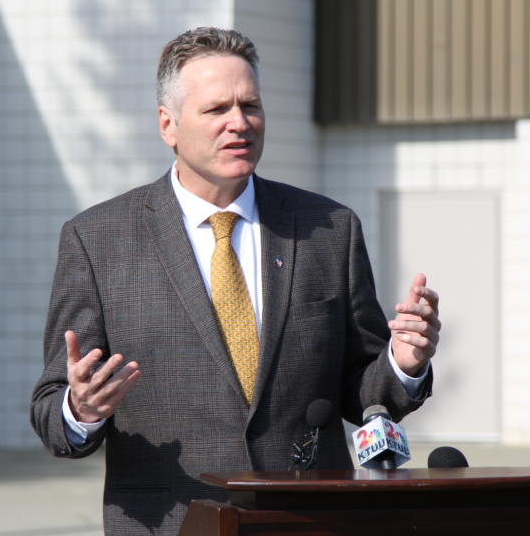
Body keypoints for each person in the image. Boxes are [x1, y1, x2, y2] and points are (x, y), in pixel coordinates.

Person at [31, 27, 441, 536]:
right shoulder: (98, 240)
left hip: (311, 518)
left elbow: (362, 390)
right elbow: (52, 414)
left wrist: (402, 365)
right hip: (173, 521)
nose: (239, 123)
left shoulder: (328, 230)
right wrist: (80, 410)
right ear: (168, 125)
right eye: (216, 110)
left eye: (250, 105)